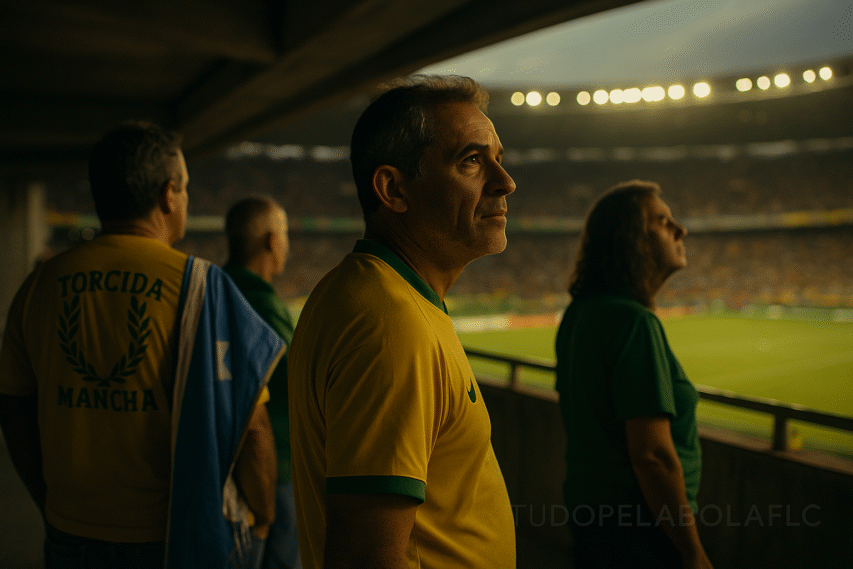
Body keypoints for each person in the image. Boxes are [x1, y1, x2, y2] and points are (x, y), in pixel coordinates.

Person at [0, 121, 283, 569]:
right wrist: (265, 516)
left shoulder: (37, 288)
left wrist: (52, 502)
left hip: (69, 532)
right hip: (176, 538)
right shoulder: (207, 288)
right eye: (186, 187)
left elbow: (14, 411)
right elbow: (254, 430)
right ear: (168, 194)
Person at [288, 75, 517, 569]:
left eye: (499, 158)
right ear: (393, 189)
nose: (505, 181)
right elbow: (366, 557)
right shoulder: (391, 324)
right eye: (472, 161)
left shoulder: (377, 294)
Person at [555, 180, 713, 569]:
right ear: (632, 240)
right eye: (663, 221)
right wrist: (693, 553)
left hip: (592, 521)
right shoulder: (633, 322)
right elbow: (653, 455)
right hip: (641, 531)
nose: (681, 230)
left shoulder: (581, 313)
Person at [224, 196, 300, 569]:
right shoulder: (265, 307)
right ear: (271, 241)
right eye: (284, 234)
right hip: (274, 471)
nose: (287, 243)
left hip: (220, 468)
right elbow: (305, 384)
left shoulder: (214, 291)